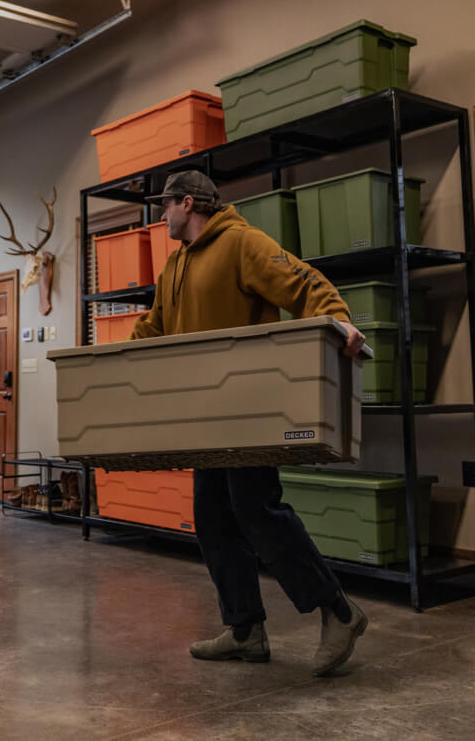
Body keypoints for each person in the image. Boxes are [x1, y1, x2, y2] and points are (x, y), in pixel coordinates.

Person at [130, 170, 367, 677]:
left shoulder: (241, 243)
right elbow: (153, 328)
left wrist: (338, 317)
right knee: (213, 518)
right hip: (204, 416)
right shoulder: (174, 267)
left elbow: (303, 282)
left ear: (187, 202)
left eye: (165, 206)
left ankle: (339, 612)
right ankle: (245, 630)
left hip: (250, 404)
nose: (161, 215)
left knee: (256, 510)